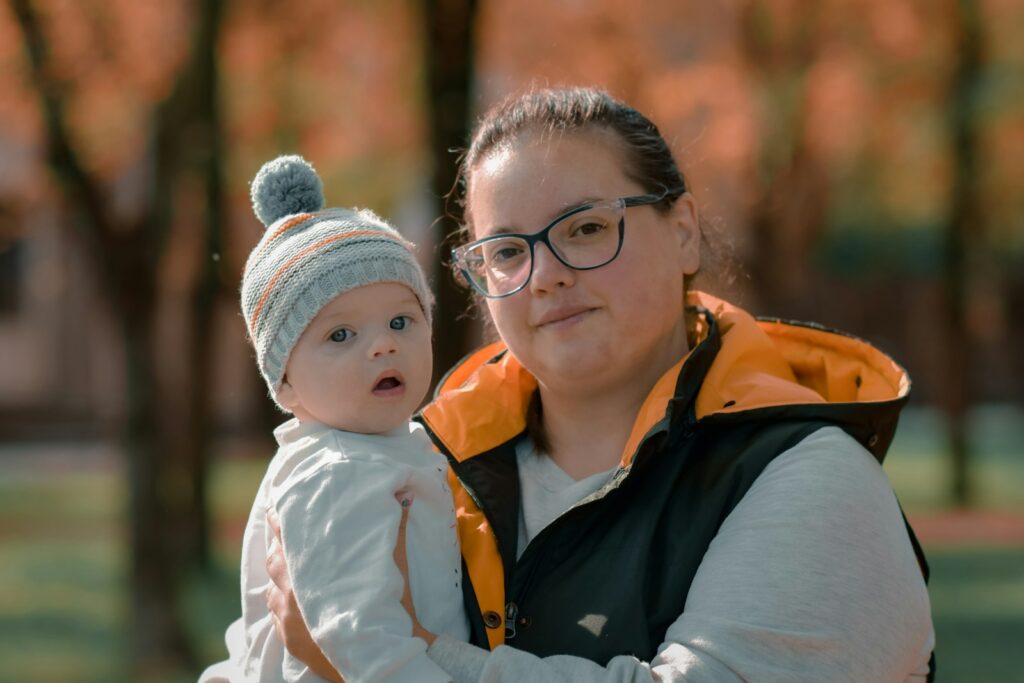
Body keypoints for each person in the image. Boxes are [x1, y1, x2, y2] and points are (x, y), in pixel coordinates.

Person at [263, 88, 936, 682]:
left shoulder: (811, 480)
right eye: (506, 251)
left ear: (683, 234)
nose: (546, 273)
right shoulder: (418, 464)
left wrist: (375, 658)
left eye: (585, 229)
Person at [199, 155, 468, 683]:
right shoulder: (337, 472)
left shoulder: (380, 447)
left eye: (400, 320)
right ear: (285, 384)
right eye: (340, 335)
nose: (383, 345)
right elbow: (360, 643)